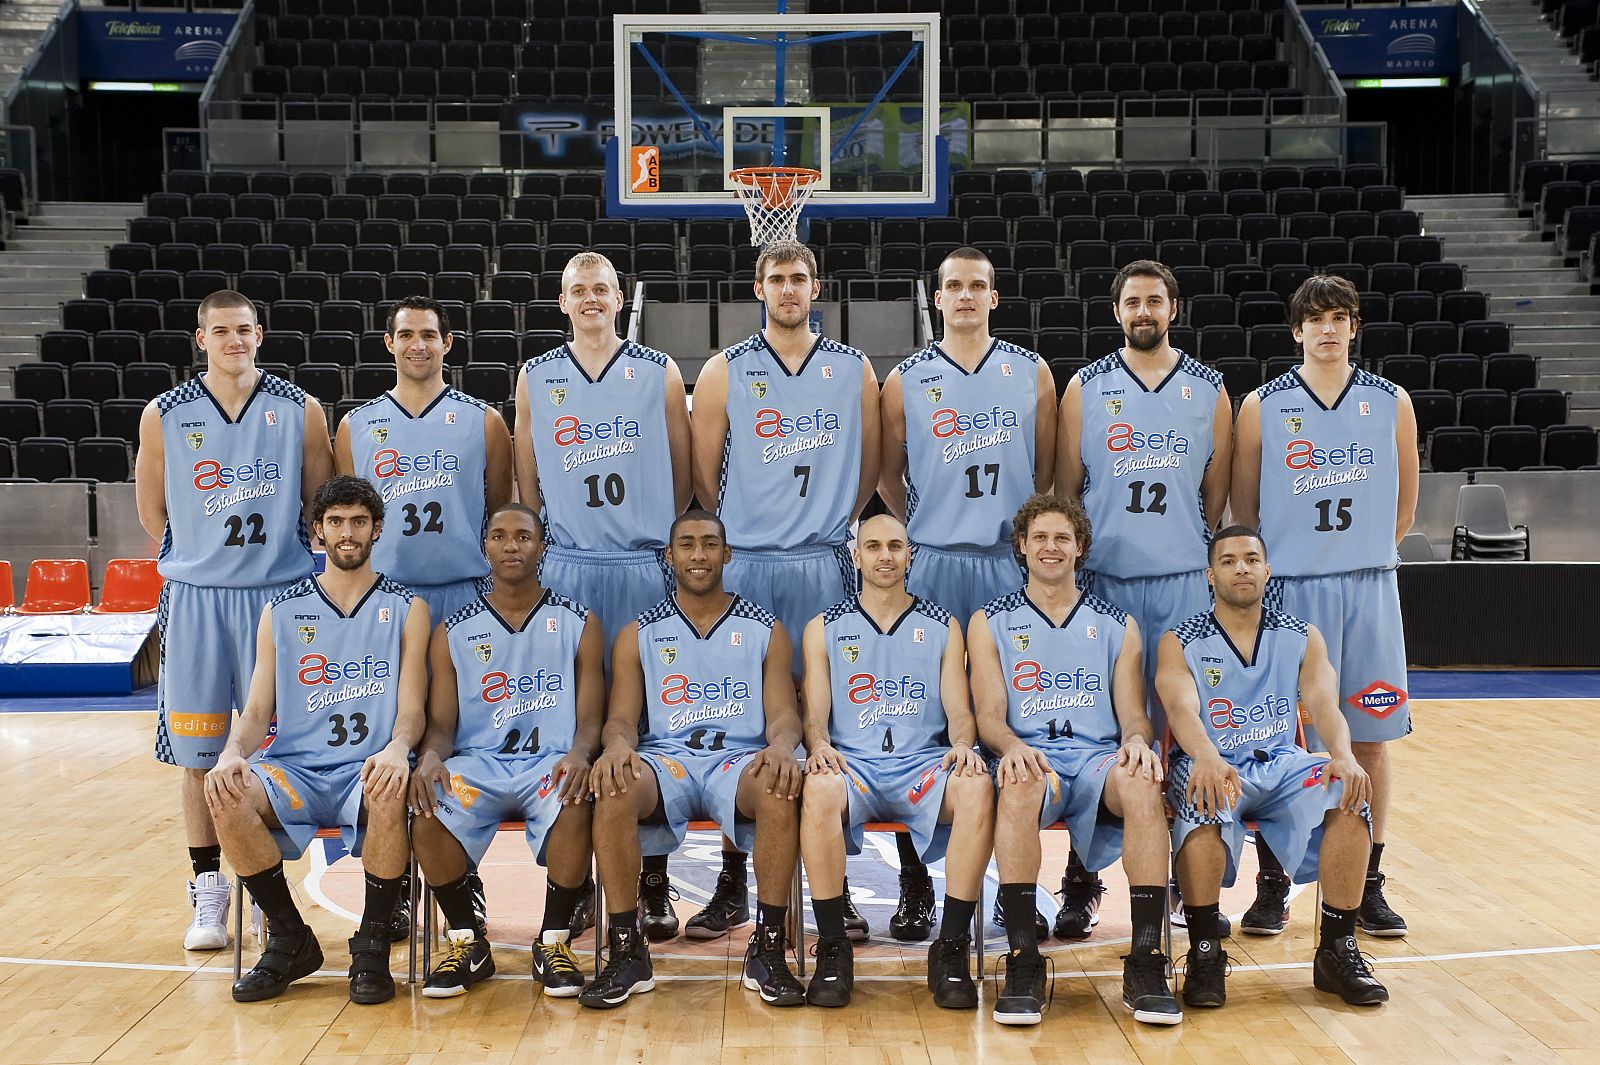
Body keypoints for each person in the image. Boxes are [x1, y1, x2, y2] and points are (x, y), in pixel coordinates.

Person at [687, 240, 878, 938]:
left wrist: (836, 524)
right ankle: (734, 878)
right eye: (777, 278)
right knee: (748, 722)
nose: (789, 288)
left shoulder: (853, 369)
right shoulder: (722, 370)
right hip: (750, 564)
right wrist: (749, 532)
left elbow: (873, 465)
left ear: (816, 286)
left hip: (823, 562)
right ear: (759, 288)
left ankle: (839, 883)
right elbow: (704, 480)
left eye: (799, 277)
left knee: (834, 722)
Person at [136, 289, 333, 951]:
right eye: (220, 331)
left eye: (243, 329)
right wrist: (201, 558)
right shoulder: (163, 415)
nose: (233, 340)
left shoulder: (300, 409)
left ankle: (263, 892)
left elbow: (319, 505)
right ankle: (206, 889)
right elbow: (152, 513)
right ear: (201, 339)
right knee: (198, 756)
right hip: (195, 599)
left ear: (260, 334)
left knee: (268, 754)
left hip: (274, 598)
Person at [1229, 274, 1418, 938]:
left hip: (1367, 585)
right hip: (1293, 593)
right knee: (1279, 740)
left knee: (1369, 738)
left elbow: (1405, 505)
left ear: (1355, 327)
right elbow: (1245, 508)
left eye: (1341, 317)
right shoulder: (1261, 405)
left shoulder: (1392, 401)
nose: (1329, 328)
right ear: (1297, 331)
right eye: (1317, 319)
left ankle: (1366, 880)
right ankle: (1275, 880)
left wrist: (1363, 552)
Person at [876, 247, 1055, 938]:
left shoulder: (1030, 372)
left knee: (1018, 722)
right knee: (923, 723)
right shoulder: (907, 378)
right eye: (954, 286)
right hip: (936, 561)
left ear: (995, 296)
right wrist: (932, 522)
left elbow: (1043, 471)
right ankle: (917, 878)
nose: (967, 295)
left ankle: (1021, 887)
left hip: (1010, 567)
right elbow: (889, 477)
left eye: (979, 284)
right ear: (937, 298)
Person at [516, 251, 694, 940]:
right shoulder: (537, 375)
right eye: (577, 290)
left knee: (648, 731)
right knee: (573, 732)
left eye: (600, 289)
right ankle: (578, 881)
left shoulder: (658, 371)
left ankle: (651, 881)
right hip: (567, 569)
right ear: (562, 302)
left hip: (643, 565)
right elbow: (526, 483)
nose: (590, 299)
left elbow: (683, 479)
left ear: (620, 298)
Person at [1053, 259, 1232, 940]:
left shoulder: (1209, 388)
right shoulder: (1086, 387)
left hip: (1183, 581)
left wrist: (1189, 545)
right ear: (1117, 312)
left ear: (1173, 309)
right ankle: (1081, 878)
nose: (1143, 310)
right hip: (1105, 584)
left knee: (1187, 733)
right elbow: (1067, 489)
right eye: (1132, 301)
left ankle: (1191, 879)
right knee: (1096, 735)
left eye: (1154, 300)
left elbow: (1214, 494)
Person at [202, 475, 427, 1004]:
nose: (347, 533)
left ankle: (371, 945)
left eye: (358, 522)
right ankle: (289, 938)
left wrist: (397, 749)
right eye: (335, 523)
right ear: (318, 533)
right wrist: (232, 754)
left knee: (391, 786)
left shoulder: (406, 608)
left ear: (376, 530)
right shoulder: (280, 610)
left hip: (365, 769)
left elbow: (412, 709)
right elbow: (258, 710)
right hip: (296, 771)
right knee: (226, 791)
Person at [580, 510, 805, 1010]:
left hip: (738, 759)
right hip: (669, 762)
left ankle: (768, 949)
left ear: (728, 554)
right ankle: (626, 951)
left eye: (709, 544)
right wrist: (617, 747)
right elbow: (620, 719)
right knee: (614, 785)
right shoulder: (639, 632)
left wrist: (783, 746)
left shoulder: (764, 628)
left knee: (776, 782)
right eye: (686, 544)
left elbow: (784, 717)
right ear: (670, 556)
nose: (698, 555)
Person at [1156, 526, 1388, 1008]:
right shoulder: (1181, 640)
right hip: (1210, 762)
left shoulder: (1301, 636)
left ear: (1267, 570)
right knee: (1203, 800)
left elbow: (1325, 706)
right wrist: (1205, 754)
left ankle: (1337, 950)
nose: (1241, 567)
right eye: (1228, 560)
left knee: (1348, 796)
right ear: (1209, 574)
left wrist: (1342, 755)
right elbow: (1181, 711)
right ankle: (1204, 953)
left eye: (1250, 559)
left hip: (1280, 763)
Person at [971, 494, 1179, 1027]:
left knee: (1141, 782)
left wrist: (1136, 741)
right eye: (1039, 537)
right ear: (1021, 546)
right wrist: (1011, 746)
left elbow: (1134, 715)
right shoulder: (989, 621)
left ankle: (1147, 958)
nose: (1050, 547)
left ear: (1080, 547)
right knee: (1017, 786)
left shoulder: (1116, 622)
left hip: (1094, 759)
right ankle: (1023, 959)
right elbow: (990, 715)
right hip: (1032, 757)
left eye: (1062, 538)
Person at [407, 503, 605, 998]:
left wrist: (582, 752)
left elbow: (591, 721)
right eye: (499, 536)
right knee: (427, 810)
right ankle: (467, 942)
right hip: (479, 764)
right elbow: (441, 726)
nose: (511, 546)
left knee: (576, 796)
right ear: (485, 547)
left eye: (522, 536)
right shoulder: (452, 631)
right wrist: (431, 756)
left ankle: (554, 940)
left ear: (542, 546)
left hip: (550, 761)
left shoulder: (579, 622)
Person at [798, 513, 992, 1009]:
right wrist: (819, 745)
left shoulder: (942, 626)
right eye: (874, 547)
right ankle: (834, 948)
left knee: (974, 787)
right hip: (854, 766)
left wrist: (965, 745)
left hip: (922, 764)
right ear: (855, 555)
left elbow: (959, 714)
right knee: (817, 787)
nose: (885, 555)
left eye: (896, 546)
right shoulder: (823, 627)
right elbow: (815, 718)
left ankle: (949, 948)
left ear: (911, 554)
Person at [337, 295, 513, 627]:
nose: (418, 345)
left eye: (429, 335)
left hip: (466, 592)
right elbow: (350, 521)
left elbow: (499, 515)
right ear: (390, 343)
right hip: (384, 593)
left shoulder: (484, 421)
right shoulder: (354, 425)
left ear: (446, 342)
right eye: (406, 335)